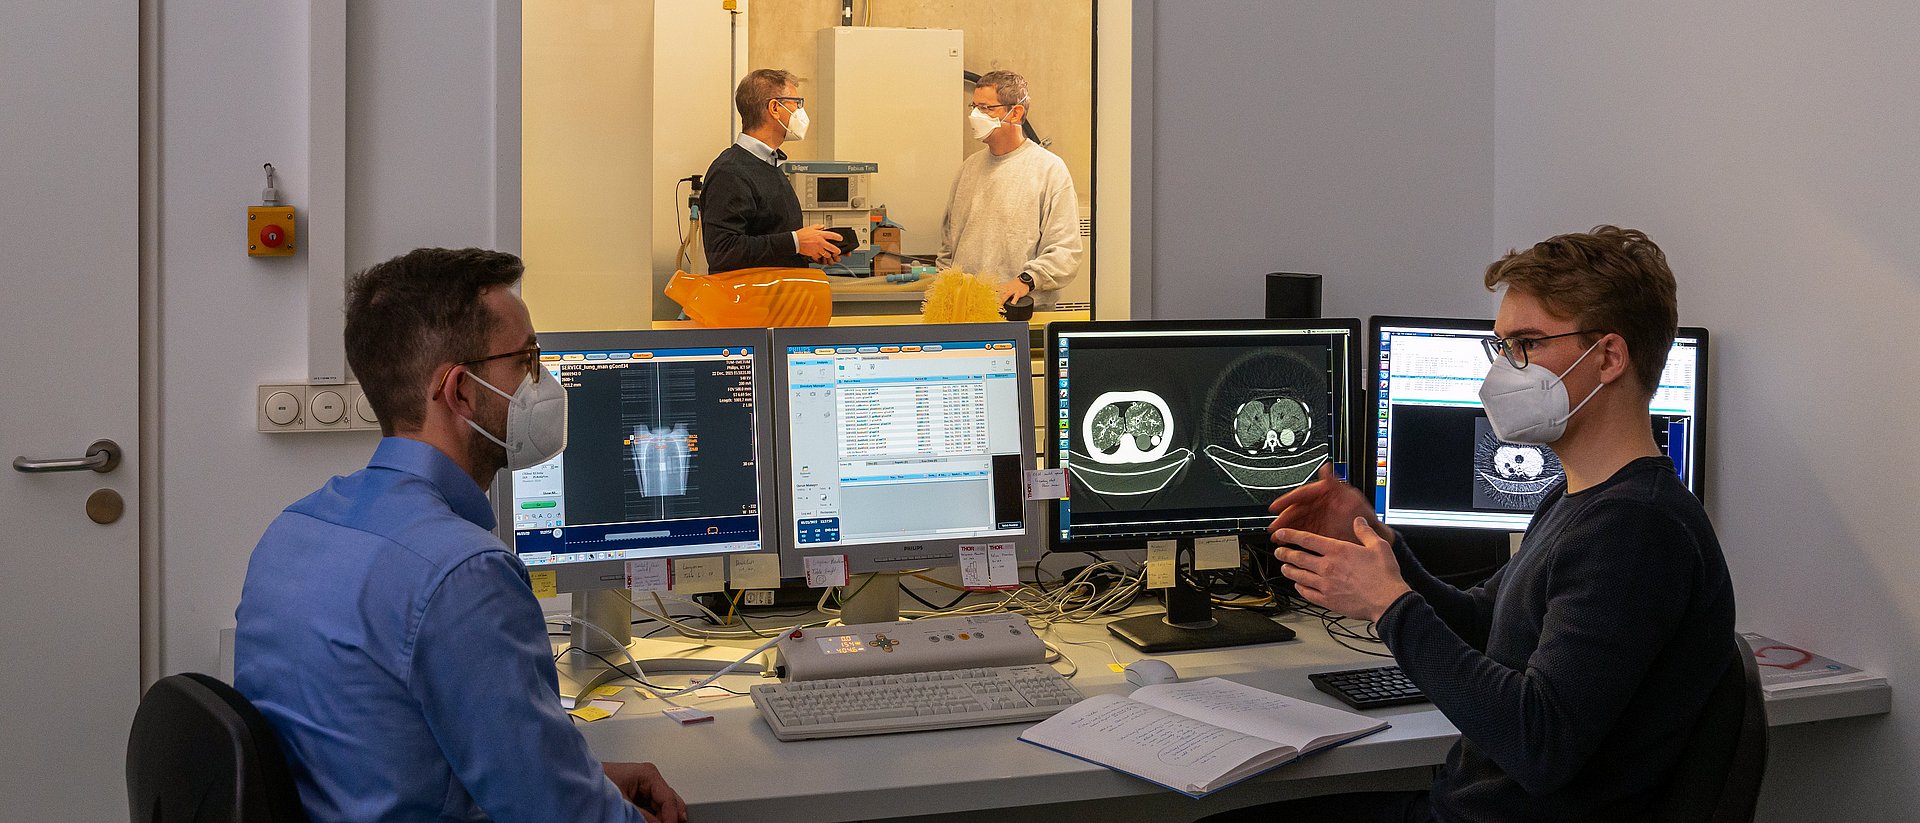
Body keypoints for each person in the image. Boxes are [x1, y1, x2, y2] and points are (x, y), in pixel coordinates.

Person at [1211, 227, 1738, 823]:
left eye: (1527, 344)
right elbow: (1487, 627)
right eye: (1502, 347)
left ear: (1610, 358)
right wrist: (1382, 549)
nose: (1504, 371)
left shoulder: (1636, 530)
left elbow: (1540, 745)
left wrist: (1389, 606)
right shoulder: (1580, 498)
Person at [233, 248, 687, 823]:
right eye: (527, 359)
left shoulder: (292, 530)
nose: (542, 380)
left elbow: (379, 753)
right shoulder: (464, 574)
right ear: (461, 390)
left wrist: (580, 776)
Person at [936, 69, 1082, 309]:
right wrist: (948, 288)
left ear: (1015, 113)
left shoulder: (1049, 169)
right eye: (974, 107)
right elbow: (948, 245)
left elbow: (1065, 250)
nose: (975, 115)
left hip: (1022, 311)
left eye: (986, 108)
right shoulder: (968, 169)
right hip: (968, 310)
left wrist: (1026, 281)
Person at [700, 68, 844, 272]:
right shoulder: (730, 171)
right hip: (751, 293)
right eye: (796, 103)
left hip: (781, 290)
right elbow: (722, 251)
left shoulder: (770, 165)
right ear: (775, 108)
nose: (801, 112)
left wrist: (809, 249)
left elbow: (770, 239)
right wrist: (795, 242)